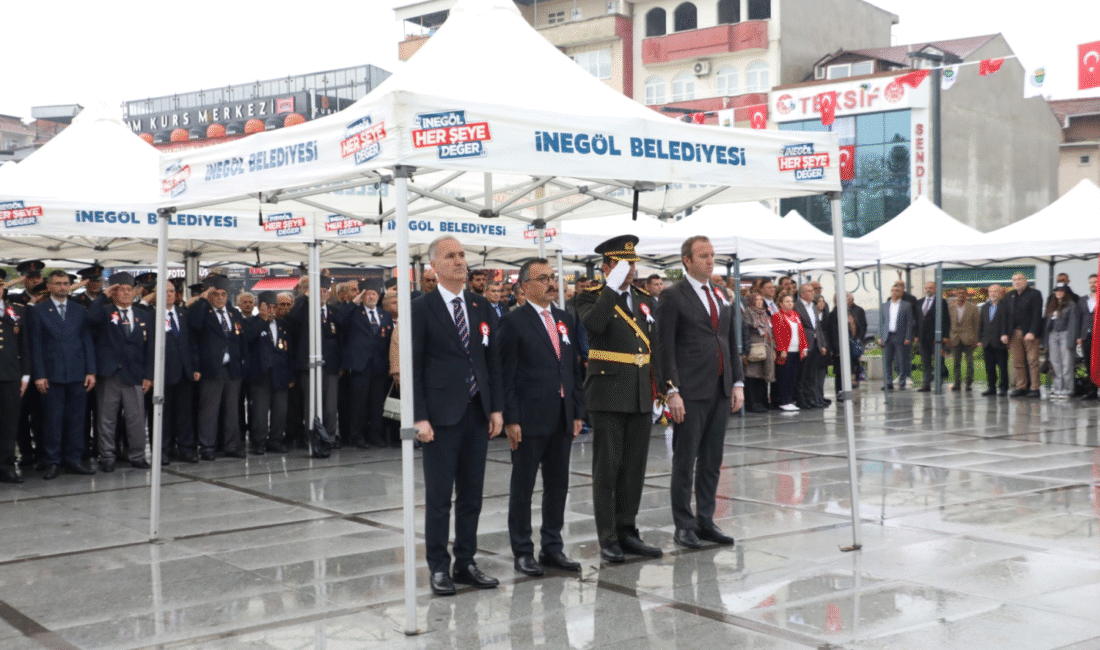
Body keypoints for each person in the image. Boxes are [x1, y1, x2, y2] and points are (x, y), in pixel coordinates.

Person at [412, 235, 504, 596]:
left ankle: (465, 562)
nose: (460, 261)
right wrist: (420, 417)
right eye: (450, 256)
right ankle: (438, 566)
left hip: (476, 412)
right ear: (434, 266)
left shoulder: (481, 307)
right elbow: (414, 366)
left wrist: (496, 407)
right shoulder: (421, 307)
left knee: (472, 496)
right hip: (440, 417)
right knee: (438, 498)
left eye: (462, 255)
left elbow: (491, 360)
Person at [575, 234, 664, 563]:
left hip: (641, 391)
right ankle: (608, 537)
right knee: (607, 468)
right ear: (606, 267)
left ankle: (628, 530)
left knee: (634, 469)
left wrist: (661, 389)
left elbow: (653, 346)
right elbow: (595, 326)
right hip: (608, 391)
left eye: (632, 264)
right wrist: (610, 288)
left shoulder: (644, 299)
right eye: (622, 265)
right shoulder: (590, 297)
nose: (629, 270)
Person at [499, 258, 585, 576]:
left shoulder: (564, 319)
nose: (551, 283)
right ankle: (523, 550)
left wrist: (577, 411)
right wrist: (511, 418)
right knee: (523, 487)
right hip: (529, 418)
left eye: (553, 277)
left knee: (558, 485)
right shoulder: (513, 322)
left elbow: (572, 368)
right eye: (543, 278)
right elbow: (505, 375)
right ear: (524, 286)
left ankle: (553, 547)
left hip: (562, 417)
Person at [657, 236, 744, 550]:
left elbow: (729, 341)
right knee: (685, 460)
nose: (710, 261)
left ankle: (706, 519)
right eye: (703, 256)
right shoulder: (672, 296)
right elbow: (663, 348)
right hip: (689, 392)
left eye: (712, 255)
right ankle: (684, 524)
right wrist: (671, 391)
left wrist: (737, 383)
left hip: (720, 389)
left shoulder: (720, 294)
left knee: (711, 460)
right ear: (687, 261)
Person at [29, 270, 97, 479]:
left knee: (76, 420)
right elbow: (36, 345)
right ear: (49, 286)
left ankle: (74, 460)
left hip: (77, 373)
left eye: (65, 283)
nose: (62, 287)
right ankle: (52, 461)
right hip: (51, 375)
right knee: (52, 421)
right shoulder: (38, 311)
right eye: (57, 283)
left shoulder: (79, 310)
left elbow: (87, 341)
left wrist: (91, 371)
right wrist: (39, 375)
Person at [86, 272, 155, 472]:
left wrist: (149, 375)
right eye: (121, 290)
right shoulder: (105, 312)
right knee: (106, 418)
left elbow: (150, 347)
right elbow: (90, 319)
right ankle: (107, 456)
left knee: (136, 418)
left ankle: (137, 455)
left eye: (129, 290)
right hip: (110, 373)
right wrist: (103, 295)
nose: (125, 293)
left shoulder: (144, 315)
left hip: (135, 374)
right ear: (114, 293)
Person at [187, 274, 247, 460]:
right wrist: (202, 300)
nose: (220, 298)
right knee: (209, 410)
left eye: (223, 294)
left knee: (232, 409)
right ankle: (207, 446)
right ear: (210, 295)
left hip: (232, 368)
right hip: (211, 368)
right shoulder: (203, 311)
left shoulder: (233, 313)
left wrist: (242, 362)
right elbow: (194, 326)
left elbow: (240, 338)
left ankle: (231, 445)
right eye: (216, 294)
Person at [336, 282, 393, 449]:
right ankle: (357, 435)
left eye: (374, 294)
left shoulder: (384, 315)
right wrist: (354, 301)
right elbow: (338, 319)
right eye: (367, 294)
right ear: (362, 296)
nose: (371, 296)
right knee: (358, 403)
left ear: (379, 296)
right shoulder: (354, 313)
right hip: (359, 365)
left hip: (379, 365)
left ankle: (375, 434)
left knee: (377, 403)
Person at [161, 281, 199, 462]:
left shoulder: (184, 314)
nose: (169, 294)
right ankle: (164, 449)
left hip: (185, 372)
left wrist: (195, 367)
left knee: (185, 413)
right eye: (165, 291)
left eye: (171, 291)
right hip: (165, 372)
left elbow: (192, 343)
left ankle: (185, 448)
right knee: (164, 414)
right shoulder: (153, 315)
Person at [0, 271, 30, 483]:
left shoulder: (16, 310)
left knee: (9, 422)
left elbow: (25, 345)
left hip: (11, 373)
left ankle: (6, 465)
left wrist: (26, 374)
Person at [1001, 273, 1043, 398]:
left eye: (1019, 279)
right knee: (1017, 362)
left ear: (1025, 280)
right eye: (1014, 280)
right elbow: (1005, 316)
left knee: (1032, 361)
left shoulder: (1035, 294)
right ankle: (1021, 387)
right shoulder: (1009, 296)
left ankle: (1035, 387)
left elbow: (1037, 314)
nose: (1017, 281)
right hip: (1013, 333)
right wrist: (1004, 333)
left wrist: (1033, 331)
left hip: (1029, 333)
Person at [772, 293, 807, 411]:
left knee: (793, 376)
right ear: (781, 304)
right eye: (787, 301)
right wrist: (782, 349)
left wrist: (804, 347)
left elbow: (801, 332)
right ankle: (783, 400)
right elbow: (777, 334)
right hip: (786, 351)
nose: (790, 303)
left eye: (791, 301)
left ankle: (790, 400)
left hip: (796, 350)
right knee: (784, 376)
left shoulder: (795, 315)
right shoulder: (777, 316)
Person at [741, 292, 774, 413]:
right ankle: (752, 402)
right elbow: (747, 327)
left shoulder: (765, 313)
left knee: (762, 377)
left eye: (761, 299)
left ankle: (761, 401)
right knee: (751, 377)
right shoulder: (748, 312)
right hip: (754, 348)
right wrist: (758, 327)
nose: (760, 302)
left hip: (766, 347)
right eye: (757, 300)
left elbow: (771, 330)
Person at [794, 284, 826, 408]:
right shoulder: (797, 306)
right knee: (803, 374)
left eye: (812, 291)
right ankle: (801, 399)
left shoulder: (813, 306)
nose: (812, 293)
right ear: (802, 294)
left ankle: (811, 397)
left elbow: (817, 327)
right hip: (804, 344)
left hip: (815, 344)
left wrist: (822, 344)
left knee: (812, 374)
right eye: (809, 291)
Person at [879, 283, 915, 391]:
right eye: (893, 290)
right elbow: (881, 322)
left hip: (900, 336)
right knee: (887, 361)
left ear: (901, 293)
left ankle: (902, 381)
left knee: (901, 360)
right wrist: (880, 337)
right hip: (887, 336)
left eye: (897, 291)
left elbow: (909, 323)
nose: (894, 293)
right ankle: (888, 382)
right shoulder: (884, 305)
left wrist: (908, 337)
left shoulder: (906, 305)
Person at [917, 282, 950, 392]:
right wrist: (916, 334)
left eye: (930, 288)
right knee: (925, 362)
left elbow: (946, 319)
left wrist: (945, 335)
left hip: (936, 338)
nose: (928, 290)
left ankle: (938, 383)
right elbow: (916, 320)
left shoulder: (941, 302)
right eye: (926, 288)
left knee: (938, 361)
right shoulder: (919, 302)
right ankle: (926, 384)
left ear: (935, 289)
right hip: (922, 338)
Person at [1045, 285, 1076, 400]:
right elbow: (1047, 325)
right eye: (1056, 291)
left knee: (1066, 364)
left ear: (1066, 292)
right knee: (1055, 363)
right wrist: (1046, 342)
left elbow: (1073, 323)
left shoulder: (1071, 305)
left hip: (1065, 334)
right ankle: (1058, 388)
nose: (1058, 293)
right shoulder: (1052, 305)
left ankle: (1068, 389)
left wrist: (1071, 341)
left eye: (1061, 291)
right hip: (1053, 335)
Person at [979, 284, 1009, 396]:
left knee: (1002, 367)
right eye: (991, 291)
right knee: (989, 367)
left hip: (1000, 341)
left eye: (995, 291)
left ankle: (1003, 388)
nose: (993, 294)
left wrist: (1005, 334)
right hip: (987, 341)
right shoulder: (985, 307)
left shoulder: (1005, 306)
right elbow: (981, 324)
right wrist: (980, 339)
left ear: (1000, 292)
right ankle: (991, 387)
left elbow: (1007, 322)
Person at [948, 288, 980, 391]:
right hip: (955, 338)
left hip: (969, 339)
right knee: (956, 363)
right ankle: (957, 384)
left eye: (963, 293)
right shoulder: (950, 308)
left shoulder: (973, 308)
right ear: (956, 294)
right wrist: (948, 338)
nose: (961, 295)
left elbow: (977, 325)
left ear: (966, 295)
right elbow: (948, 324)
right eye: (959, 293)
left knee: (970, 362)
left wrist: (976, 339)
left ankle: (968, 383)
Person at [1073, 274, 1097, 400]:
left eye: (1095, 282)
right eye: (1091, 282)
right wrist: (1078, 336)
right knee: (1088, 363)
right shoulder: (1082, 300)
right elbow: (1078, 319)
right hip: (1086, 335)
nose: (1093, 284)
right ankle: (1092, 389)